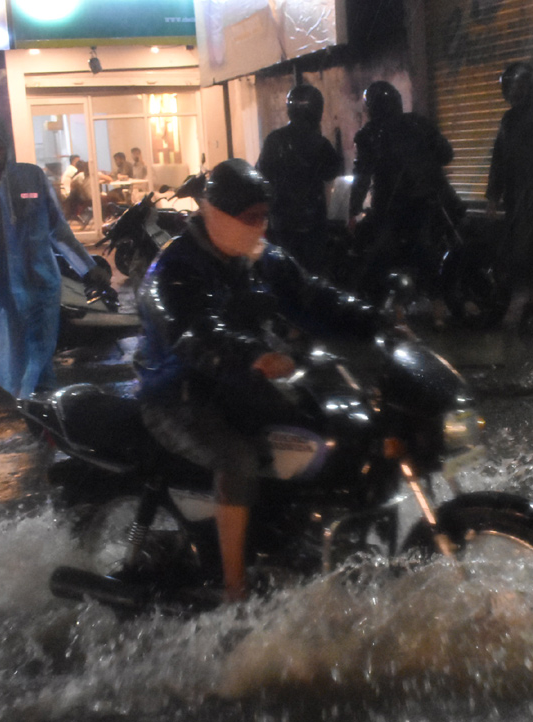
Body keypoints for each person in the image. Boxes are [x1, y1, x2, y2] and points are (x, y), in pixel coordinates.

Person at [134, 159, 378, 603]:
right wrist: (253, 355)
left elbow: (311, 295)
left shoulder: (257, 257)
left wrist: (372, 320)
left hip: (235, 383)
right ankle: (235, 589)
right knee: (239, 458)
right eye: (250, 218)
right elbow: (195, 331)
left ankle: (292, 535)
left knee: (317, 427)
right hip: (179, 396)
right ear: (215, 213)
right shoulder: (173, 270)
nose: (260, 227)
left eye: (264, 216)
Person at [0, 112, 111, 398]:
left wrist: (88, 268)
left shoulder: (32, 177)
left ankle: (39, 407)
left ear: (8, 143)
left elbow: (58, 230)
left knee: (40, 349)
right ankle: (29, 406)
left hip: (40, 280)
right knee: (13, 356)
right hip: (0, 287)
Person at [347, 81, 458, 301]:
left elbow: (362, 175)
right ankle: (437, 306)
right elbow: (446, 154)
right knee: (428, 251)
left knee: (378, 255)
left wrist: (353, 210)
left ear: (371, 107)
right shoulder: (419, 123)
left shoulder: (368, 134)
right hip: (431, 201)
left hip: (391, 207)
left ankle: (384, 305)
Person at [485, 62, 533, 327]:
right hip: (515, 195)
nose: (514, 91)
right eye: (511, 86)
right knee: (516, 247)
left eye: (519, 85)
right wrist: (493, 195)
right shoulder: (509, 119)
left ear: (530, 86)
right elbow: (499, 159)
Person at [256, 83, 342, 272]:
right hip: (313, 223)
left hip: (281, 221)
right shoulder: (320, 144)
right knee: (313, 273)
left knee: (284, 270)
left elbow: (261, 176)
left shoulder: (274, 140)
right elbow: (334, 172)